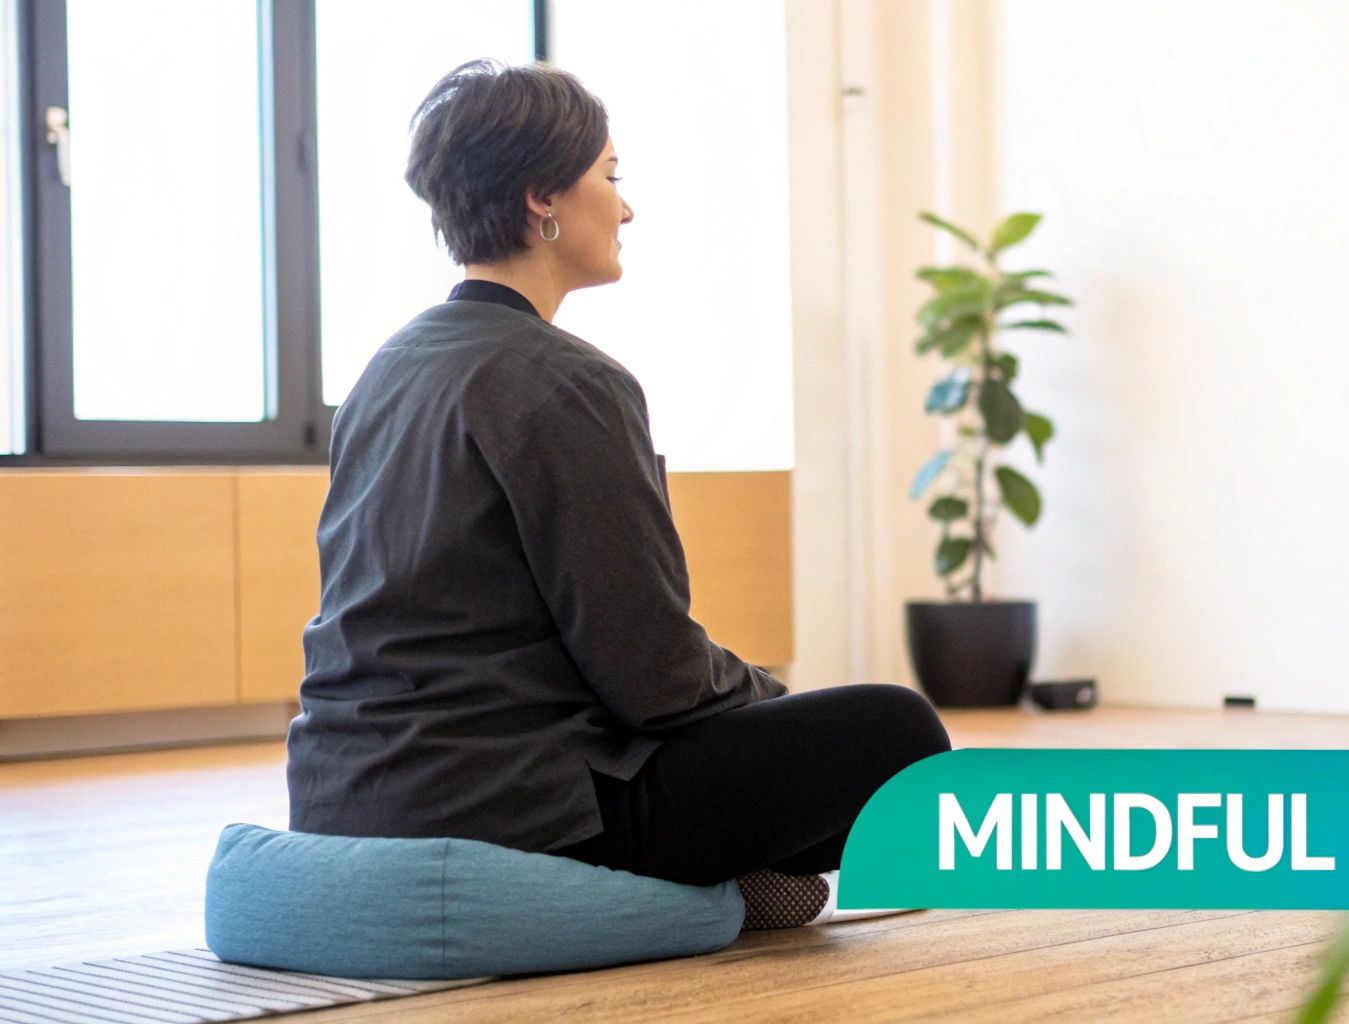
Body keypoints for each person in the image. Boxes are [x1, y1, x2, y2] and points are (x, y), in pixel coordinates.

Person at [285, 58, 951, 929]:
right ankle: (708, 881)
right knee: (898, 735)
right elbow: (658, 678)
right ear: (541, 199)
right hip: (505, 804)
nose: (626, 207)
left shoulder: (390, 369)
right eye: (610, 176)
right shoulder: (568, 383)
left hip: (343, 797)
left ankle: (727, 880)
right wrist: (774, 702)